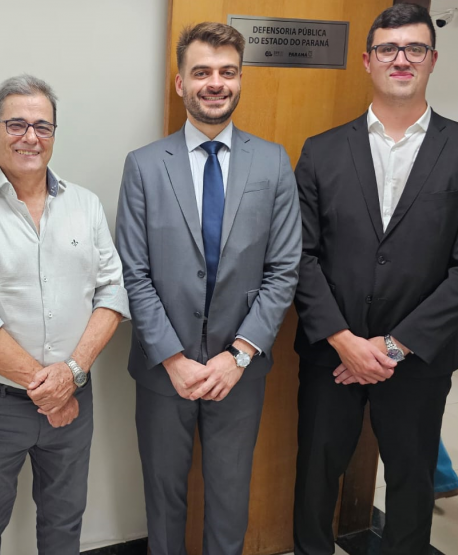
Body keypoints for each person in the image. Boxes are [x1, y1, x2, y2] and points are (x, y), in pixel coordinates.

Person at [292, 5, 458, 554]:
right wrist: (343, 339)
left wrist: (390, 345)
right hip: (330, 357)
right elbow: (300, 254)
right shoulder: (322, 150)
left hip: (418, 358)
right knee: (316, 480)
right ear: (367, 61)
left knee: (411, 486)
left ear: (432, 60)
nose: (401, 59)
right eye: (388, 49)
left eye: (414, 48)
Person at [116, 22, 301, 555]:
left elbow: (283, 269)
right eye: (202, 72)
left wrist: (238, 356)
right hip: (161, 369)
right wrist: (173, 358)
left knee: (229, 495)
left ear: (240, 80)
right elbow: (133, 270)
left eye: (227, 72)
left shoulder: (273, 161)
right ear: (181, 83)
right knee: (163, 495)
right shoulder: (144, 166)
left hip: (239, 370)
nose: (214, 83)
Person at [0, 74, 129, 555]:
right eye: (17, 124)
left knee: (65, 528)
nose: (30, 137)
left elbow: (113, 292)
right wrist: (51, 390)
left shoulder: (85, 206)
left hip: (75, 397)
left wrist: (71, 374)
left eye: (43, 126)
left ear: (54, 134)